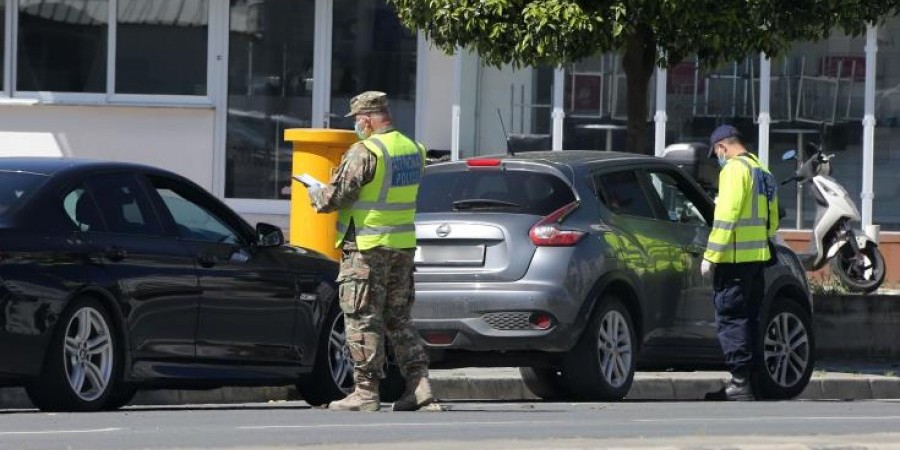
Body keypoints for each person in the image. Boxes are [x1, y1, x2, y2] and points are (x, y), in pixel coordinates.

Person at [306, 91, 434, 412]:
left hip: (367, 247)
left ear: (366, 118)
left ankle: (365, 391)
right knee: (399, 318)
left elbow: (339, 196)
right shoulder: (412, 149)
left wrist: (316, 194)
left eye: (358, 121)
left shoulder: (365, 151)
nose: (357, 127)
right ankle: (420, 385)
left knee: (362, 317)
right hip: (402, 246)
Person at [701, 124, 779, 401]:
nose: (718, 158)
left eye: (717, 153)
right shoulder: (760, 170)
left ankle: (739, 382)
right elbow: (773, 219)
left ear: (722, 147)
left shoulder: (734, 170)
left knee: (732, 319)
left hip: (733, 260)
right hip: (757, 259)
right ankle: (754, 382)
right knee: (751, 320)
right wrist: (760, 241)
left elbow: (727, 216)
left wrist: (711, 255)